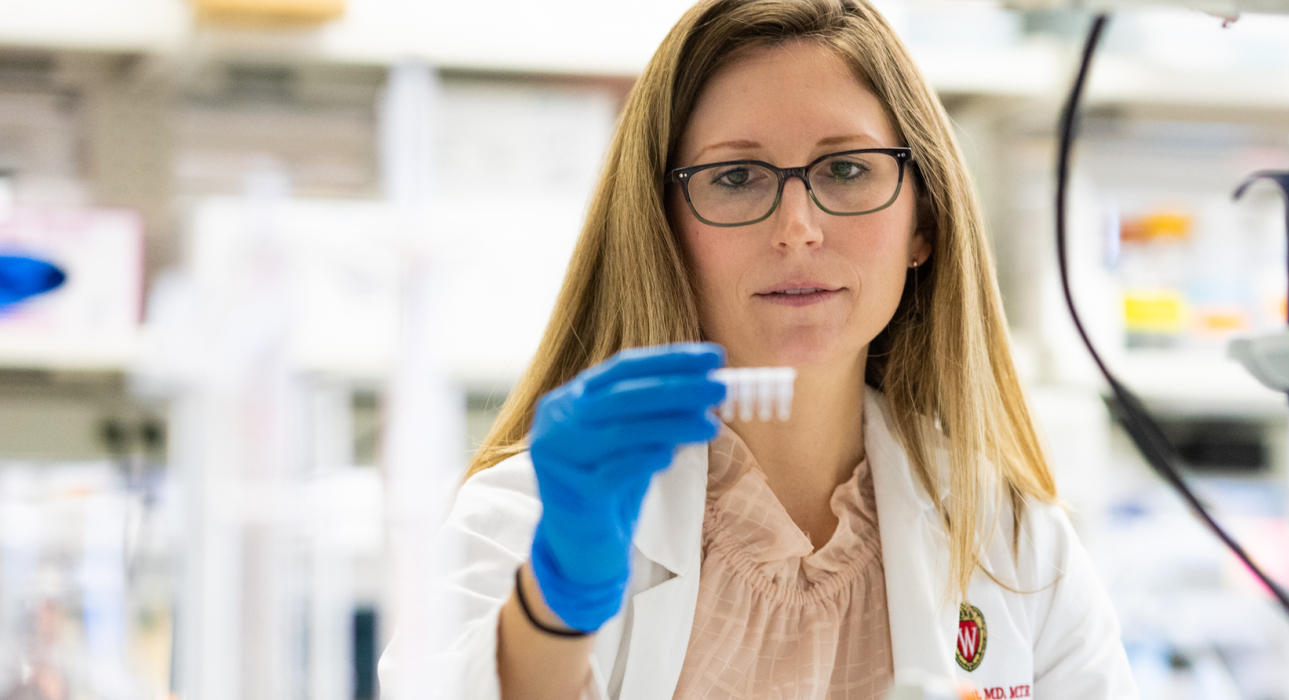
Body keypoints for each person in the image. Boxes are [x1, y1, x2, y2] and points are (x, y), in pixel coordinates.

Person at [375, 0, 1137, 697]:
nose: (797, 227)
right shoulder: (538, 520)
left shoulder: (1016, 546)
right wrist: (556, 603)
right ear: (664, 229)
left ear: (924, 221)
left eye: (846, 169)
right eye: (736, 177)